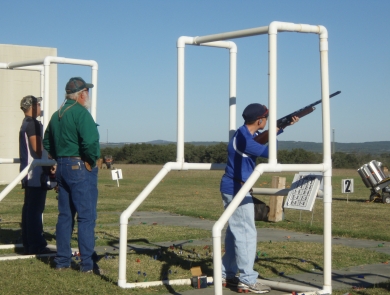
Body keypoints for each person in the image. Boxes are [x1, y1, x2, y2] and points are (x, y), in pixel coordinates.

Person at [219, 103, 299, 293]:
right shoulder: (246, 140)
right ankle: (247, 279)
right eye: (266, 118)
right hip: (238, 188)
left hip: (235, 186)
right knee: (246, 233)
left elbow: (260, 139)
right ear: (260, 120)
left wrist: (282, 127)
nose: (267, 121)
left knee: (235, 233)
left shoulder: (243, 134)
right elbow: (271, 153)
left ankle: (226, 273)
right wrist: (276, 133)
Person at [43, 77, 101, 273]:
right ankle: (87, 264)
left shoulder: (56, 115)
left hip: (61, 166)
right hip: (79, 166)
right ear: (82, 94)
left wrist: (57, 157)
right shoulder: (81, 113)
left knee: (65, 215)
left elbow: (47, 142)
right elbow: (91, 142)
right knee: (86, 217)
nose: (88, 96)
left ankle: (62, 261)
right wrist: (90, 161)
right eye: (87, 92)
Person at [19, 95, 51, 255]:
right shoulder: (32, 124)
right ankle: (36, 244)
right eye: (38, 104)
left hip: (29, 172)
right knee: (35, 210)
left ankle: (29, 242)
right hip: (35, 174)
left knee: (30, 208)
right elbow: (38, 149)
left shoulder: (26, 123)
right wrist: (51, 160)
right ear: (32, 107)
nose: (40, 107)